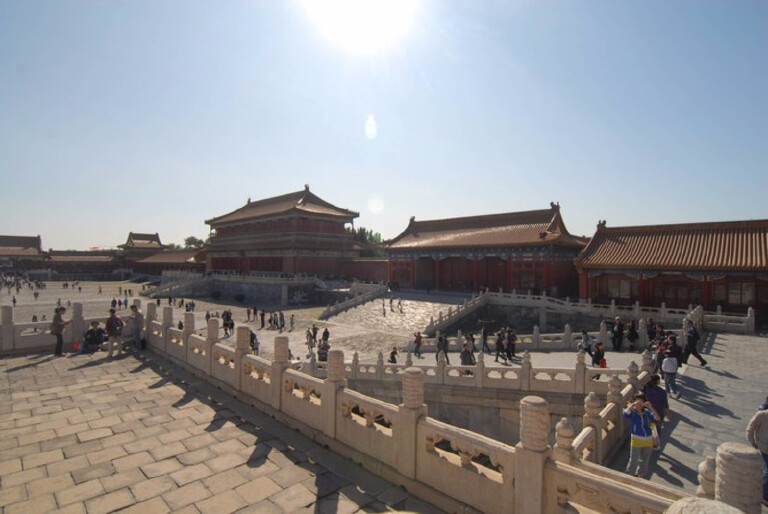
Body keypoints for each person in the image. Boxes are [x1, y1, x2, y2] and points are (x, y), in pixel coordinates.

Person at [623, 392, 661, 478]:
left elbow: (657, 418)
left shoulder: (646, 412)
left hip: (648, 439)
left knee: (645, 459)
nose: (639, 404)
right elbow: (625, 414)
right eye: (637, 401)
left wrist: (651, 407)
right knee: (633, 459)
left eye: (641, 401)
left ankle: (641, 474)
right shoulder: (632, 412)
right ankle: (629, 475)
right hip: (636, 439)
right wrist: (632, 405)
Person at [745, 397, 768, 505]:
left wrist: (752, 441)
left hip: (762, 445)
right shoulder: (762, 414)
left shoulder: (761, 414)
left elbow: (750, 429)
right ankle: (764, 493)